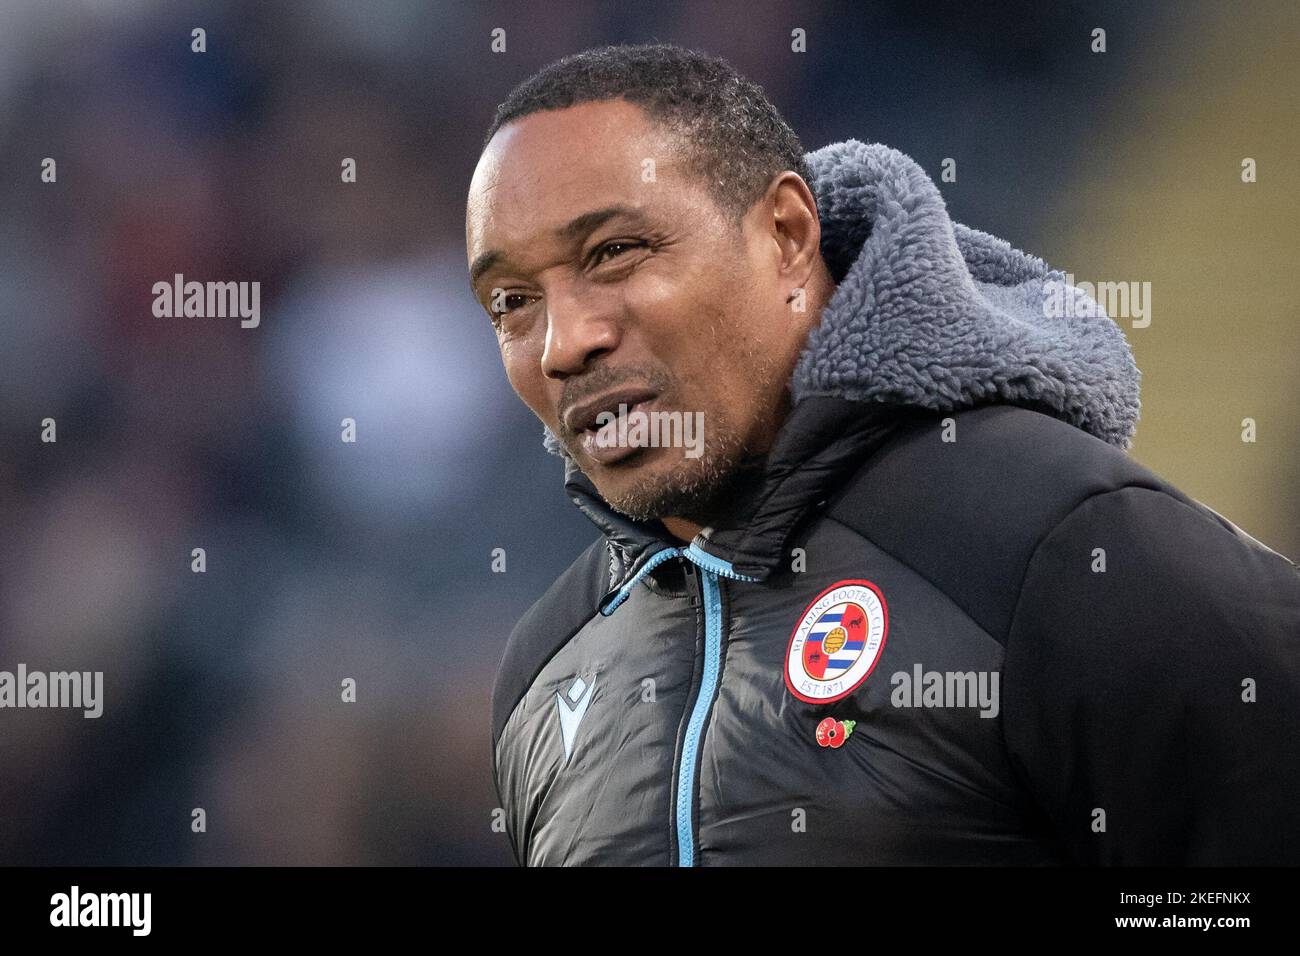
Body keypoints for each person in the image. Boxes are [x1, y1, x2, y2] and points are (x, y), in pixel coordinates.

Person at [465, 42, 1300, 866]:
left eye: (614, 252)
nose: (562, 344)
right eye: (511, 301)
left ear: (787, 233)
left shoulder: (1079, 555)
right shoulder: (548, 669)